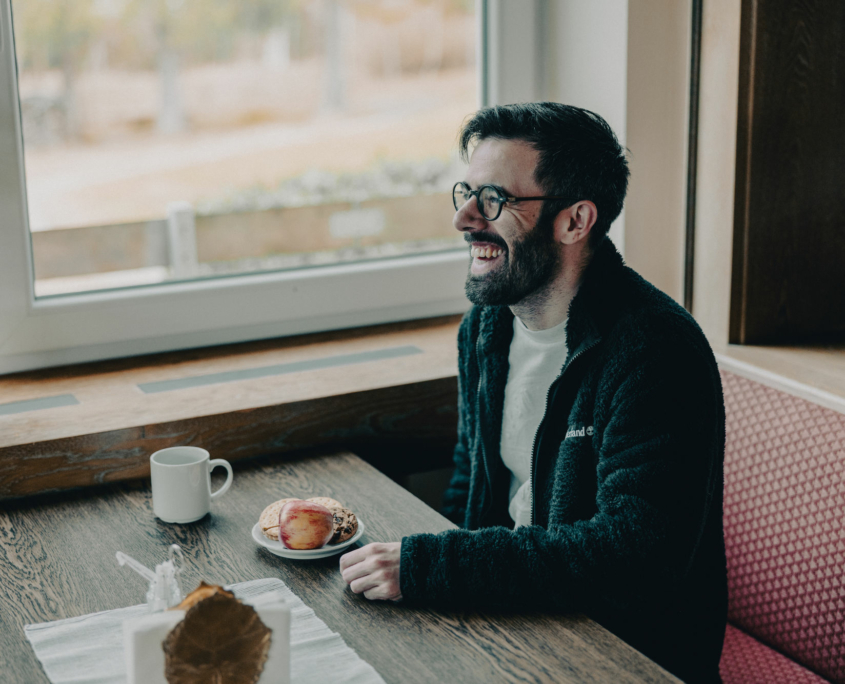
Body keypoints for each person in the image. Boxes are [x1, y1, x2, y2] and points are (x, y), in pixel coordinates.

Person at [340, 102, 727, 684]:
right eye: (465, 193)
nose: (466, 218)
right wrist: (431, 607)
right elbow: (473, 482)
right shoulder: (486, 327)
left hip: (626, 653)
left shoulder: (656, 351)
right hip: (517, 622)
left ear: (575, 221)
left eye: (494, 199)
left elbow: (635, 556)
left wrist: (433, 567)